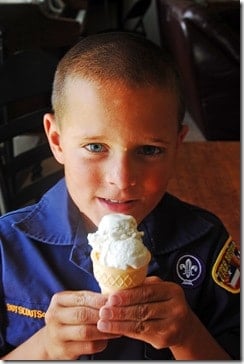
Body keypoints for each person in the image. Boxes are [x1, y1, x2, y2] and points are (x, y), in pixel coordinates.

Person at [0, 32, 240, 360]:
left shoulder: (207, 242)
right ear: (56, 140)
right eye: (95, 147)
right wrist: (44, 348)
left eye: (149, 150)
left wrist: (188, 335)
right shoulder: (7, 248)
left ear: (178, 144)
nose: (122, 179)